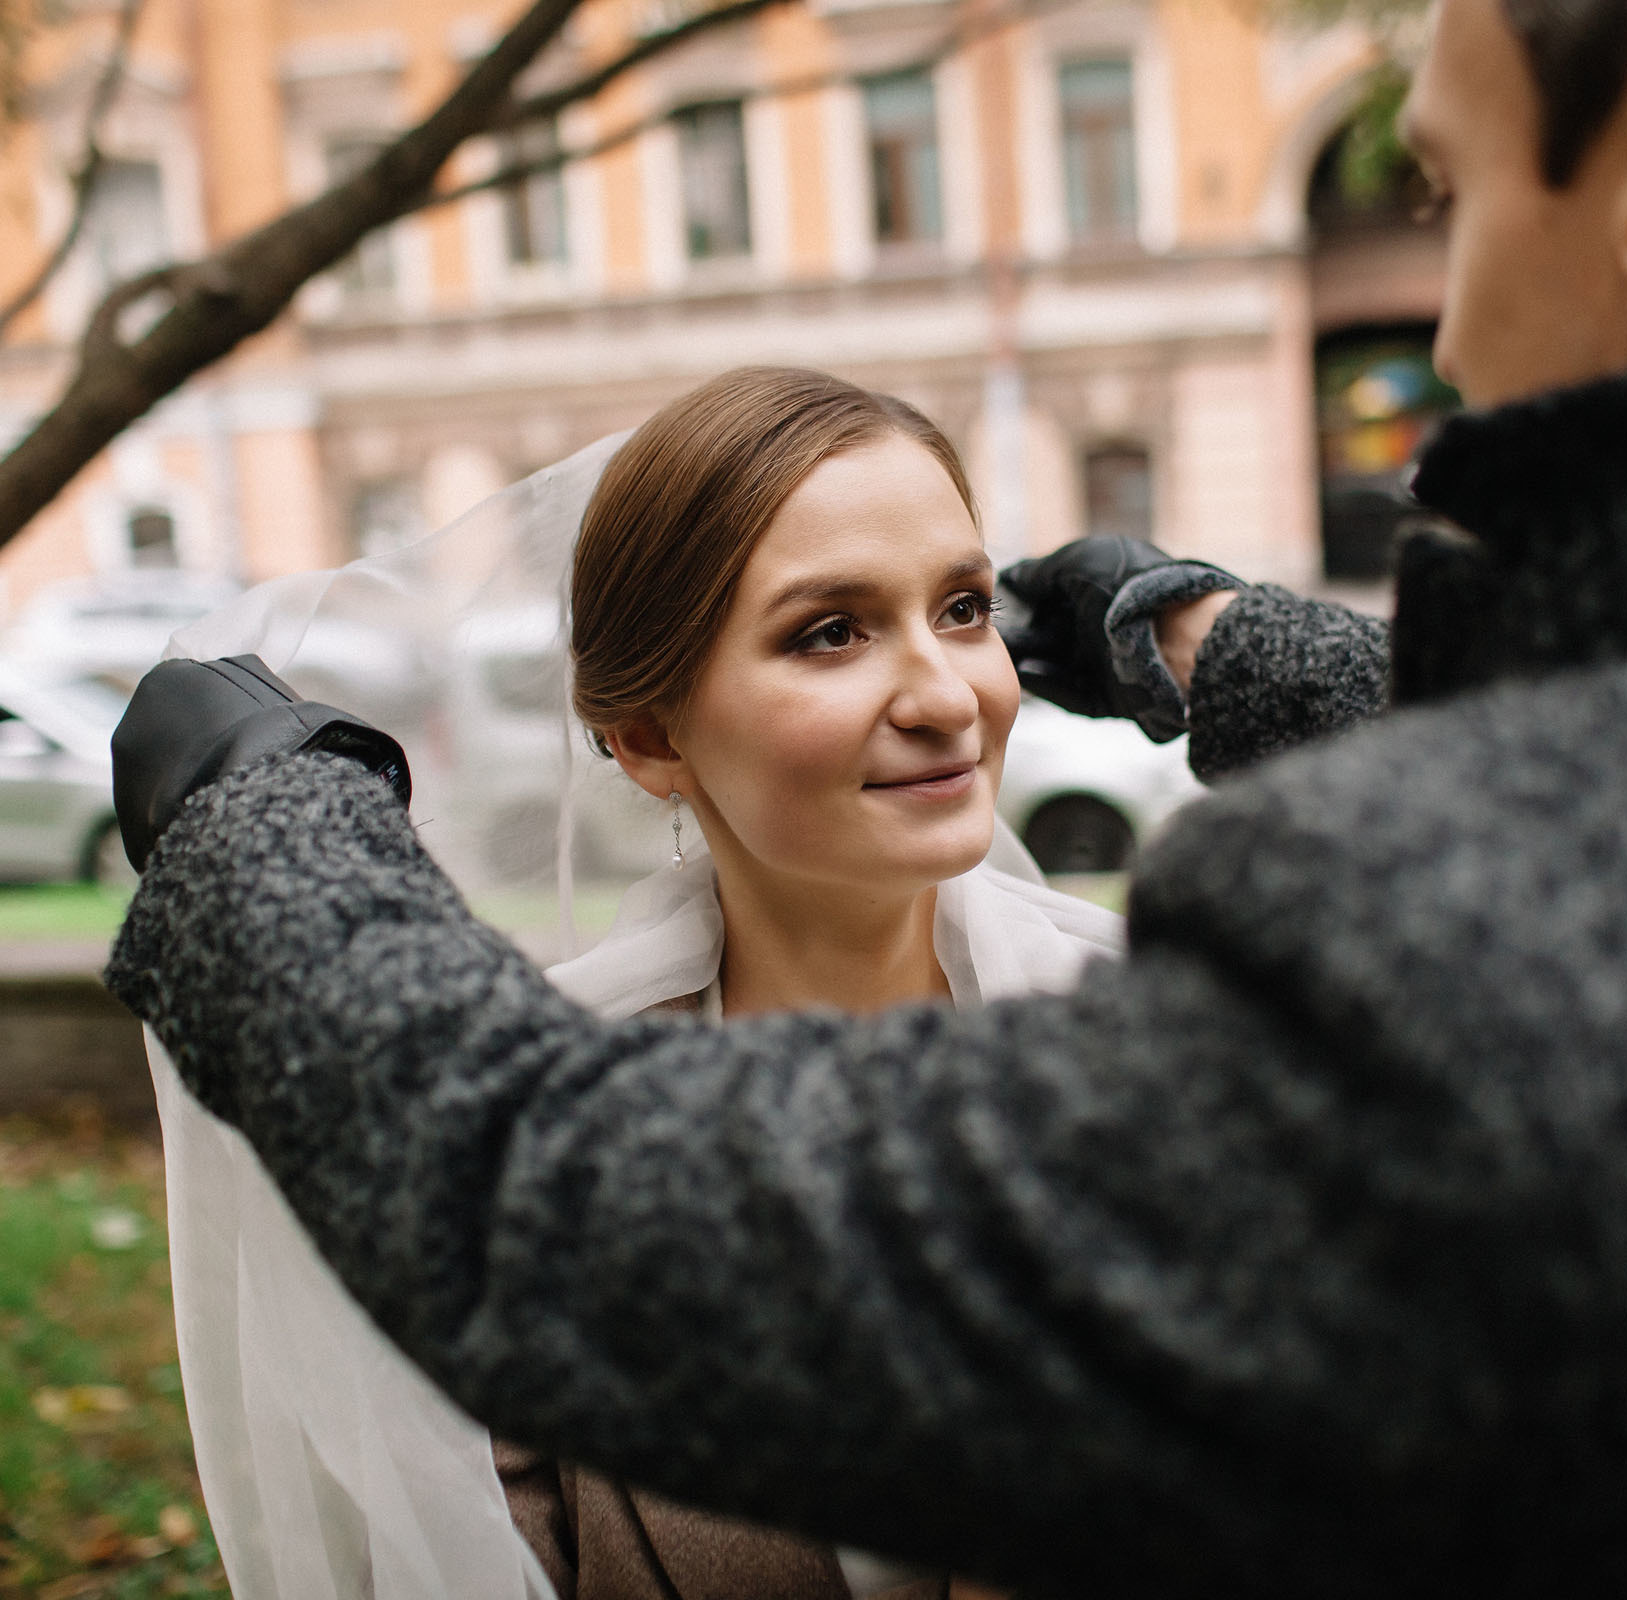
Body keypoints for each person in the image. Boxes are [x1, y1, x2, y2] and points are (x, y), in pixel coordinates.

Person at [106, 0, 1627, 1592]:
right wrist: (1211, 638)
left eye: (1449, 185)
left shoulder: (1503, 963)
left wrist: (266, 836)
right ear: (643, 729)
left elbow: (576, 1210)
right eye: (827, 630)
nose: (1448, 325)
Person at [132, 369, 1117, 1600]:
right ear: (651, 736)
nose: (946, 696)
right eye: (831, 631)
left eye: (963, 608)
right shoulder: (507, 1156)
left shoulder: (1164, 1044)